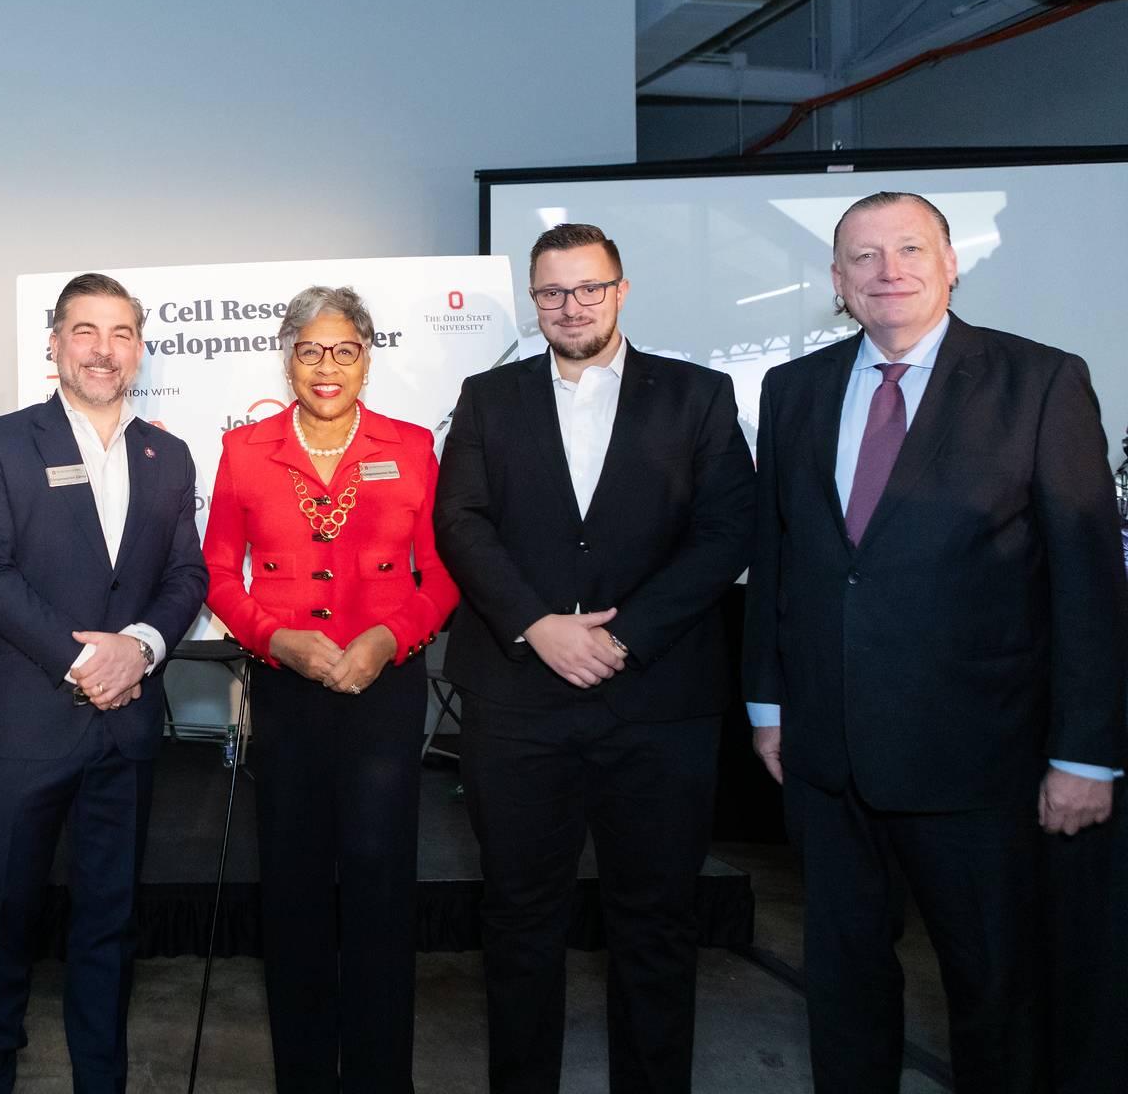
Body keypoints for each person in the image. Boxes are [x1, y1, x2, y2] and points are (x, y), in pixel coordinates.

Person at [743, 191, 1125, 1092]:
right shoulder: (793, 390)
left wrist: (1088, 754)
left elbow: (1087, 585)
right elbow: (780, 557)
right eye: (864, 258)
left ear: (951, 264)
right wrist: (769, 705)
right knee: (842, 988)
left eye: (910, 248)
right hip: (827, 760)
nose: (889, 271)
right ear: (837, 283)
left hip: (981, 766)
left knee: (994, 995)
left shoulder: (1040, 382)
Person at [436, 223, 754, 1094]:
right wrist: (538, 624)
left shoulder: (698, 395)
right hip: (517, 698)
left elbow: (728, 529)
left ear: (620, 290)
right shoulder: (488, 396)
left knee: (654, 924)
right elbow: (460, 523)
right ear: (532, 299)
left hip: (658, 699)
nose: (570, 306)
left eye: (588, 289)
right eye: (551, 292)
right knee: (519, 920)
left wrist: (624, 635)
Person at [0, 273, 208, 1094]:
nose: (104, 349)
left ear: (139, 347)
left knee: (111, 920)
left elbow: (187, 575)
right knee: (2, 915)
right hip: (28, 720)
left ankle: (104, 1076)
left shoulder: (169, 454)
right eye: (86, 331)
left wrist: (139, 646)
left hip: (126, 727)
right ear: (53, 343)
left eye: (122, 332)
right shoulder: (3, 441)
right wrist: (83, 661)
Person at [200, 285, 458, 1091]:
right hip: (288, 689)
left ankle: (383, 1077)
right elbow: (214, 572)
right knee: (296, 890)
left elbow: (445, 573)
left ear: (367, 358)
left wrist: (388, 639)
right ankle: (304, 1075)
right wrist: (274, 637)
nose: (327, 366)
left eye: (344, 349)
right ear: (287, 356)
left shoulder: (411, 446)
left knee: (383, 887)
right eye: (310, 349)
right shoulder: (246, 450)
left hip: (383, 689)